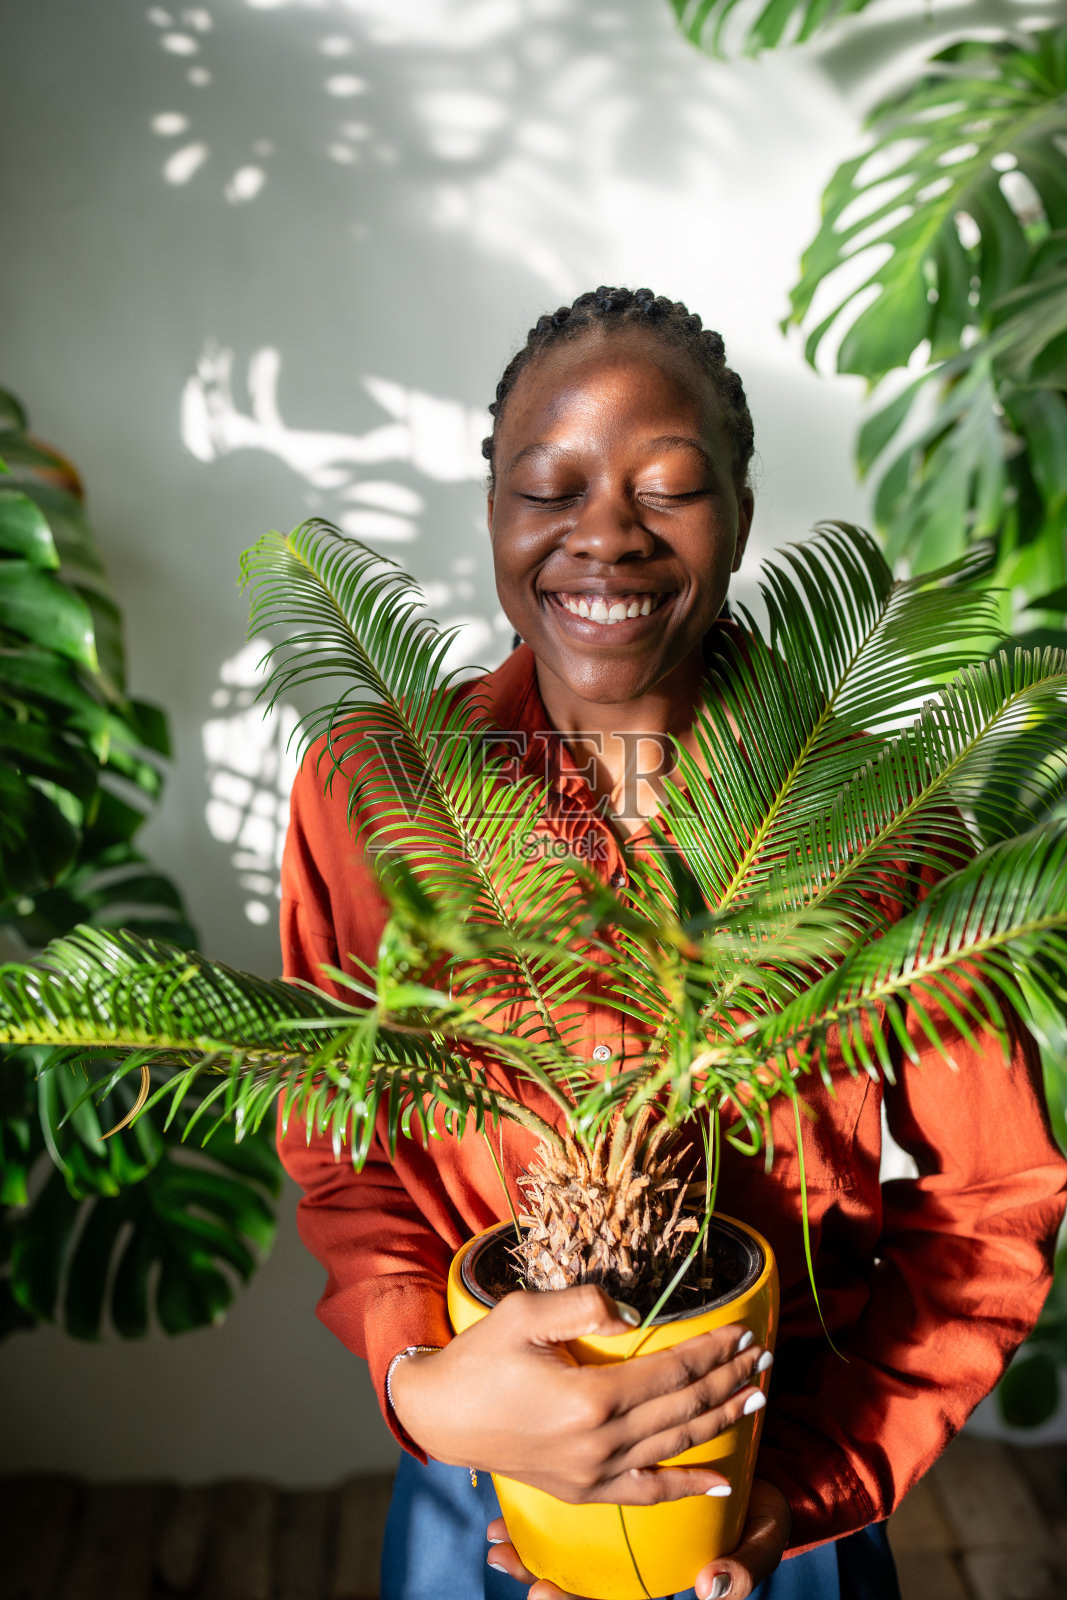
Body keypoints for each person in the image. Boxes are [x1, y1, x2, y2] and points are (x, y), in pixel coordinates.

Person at [277, 287, 1067, 1600]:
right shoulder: (377, 790)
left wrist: (820, 1477)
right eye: (550, 488)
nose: (605, 536)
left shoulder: (875, 816)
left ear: (743, 515)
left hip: (768, 1486)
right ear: (492, 512)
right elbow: (347, 1148)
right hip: (481, 1494)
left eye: (668, 488)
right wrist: (429, 1390)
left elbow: (989, 1199)